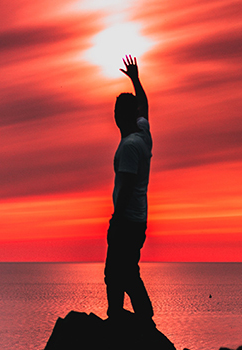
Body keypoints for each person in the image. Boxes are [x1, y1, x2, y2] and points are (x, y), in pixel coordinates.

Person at [105, 55, 154, 322]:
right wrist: (136, 80)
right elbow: (145, 107)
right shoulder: (143, 133)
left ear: (123, 116)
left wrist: (115, 219)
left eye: (116, 113)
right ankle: (138, 318)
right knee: (127, 271)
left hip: (127, 220)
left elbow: (124, 189)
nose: (114, 117)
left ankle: (123, 318)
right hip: (139, 220)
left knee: (115, 272)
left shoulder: (129, 147)